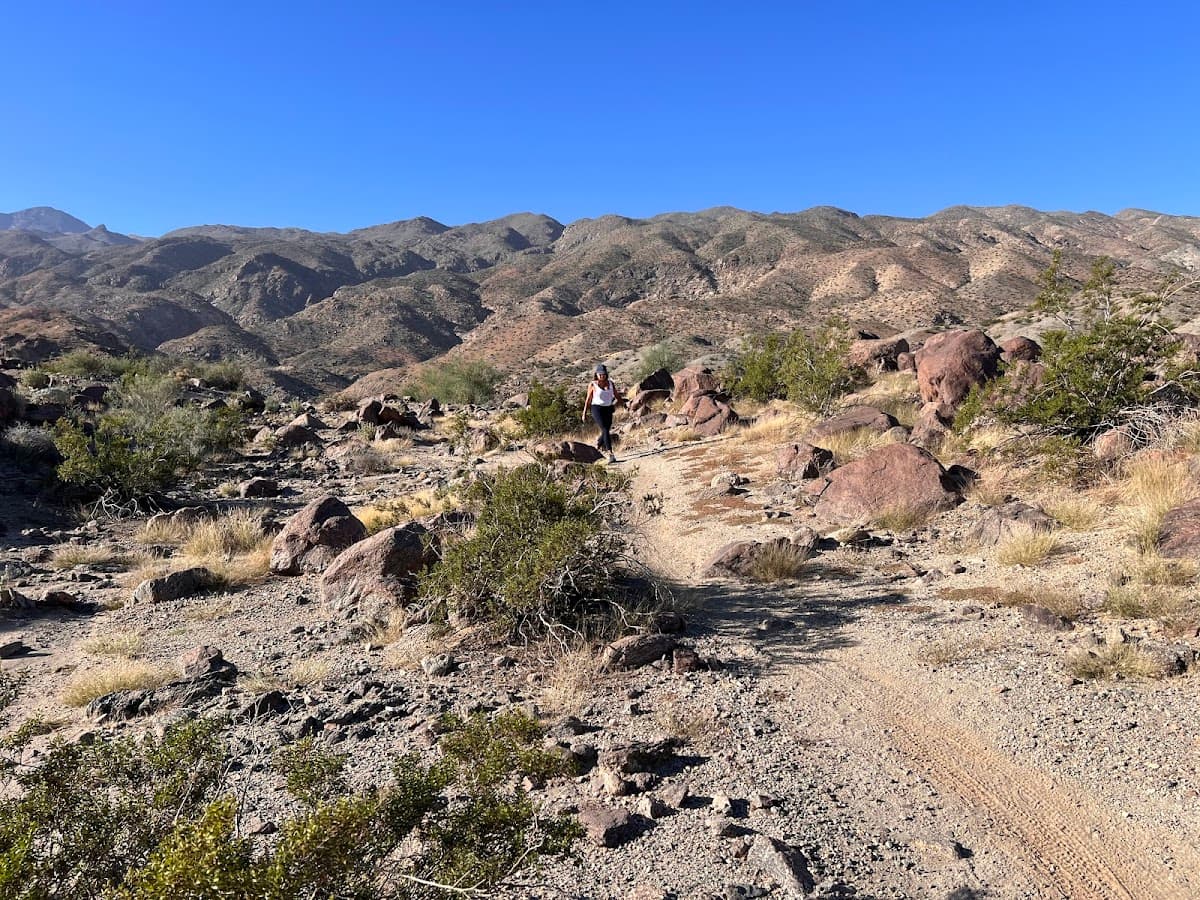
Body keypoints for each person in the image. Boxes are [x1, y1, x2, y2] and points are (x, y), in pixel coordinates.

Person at [582, 363, 622, 462]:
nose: (602, 376)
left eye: (603, 374)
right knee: (604, 428)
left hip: (608, 408)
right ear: (596, 374)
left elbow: (616, 395)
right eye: (600, 374)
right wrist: (584, 413)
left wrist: (624, 404)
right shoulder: (593, 384)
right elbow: (588, 399)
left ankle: (598, 445)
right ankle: (610, 453)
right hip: (597, 408)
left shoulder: (611, 383)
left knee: (606, 430)